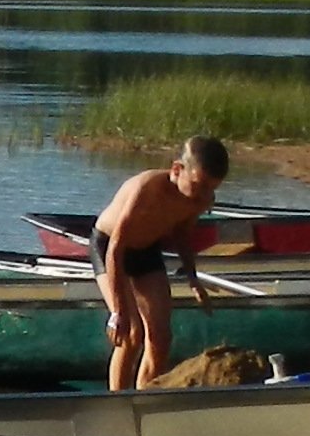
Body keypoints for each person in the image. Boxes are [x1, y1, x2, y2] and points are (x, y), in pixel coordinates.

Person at [91, 137, 229, 391]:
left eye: (211, 189)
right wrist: (117, 313)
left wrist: (193, 280)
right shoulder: (145, 188)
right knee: (131, 334)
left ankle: (145, 397)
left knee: (161, 338)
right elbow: (115, 249)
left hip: (146, 250)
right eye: (199, 186)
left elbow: (182, 235)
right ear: (177, 170)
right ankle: (116, 400)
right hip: (109, 247)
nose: (204, 196)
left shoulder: (201, 199)